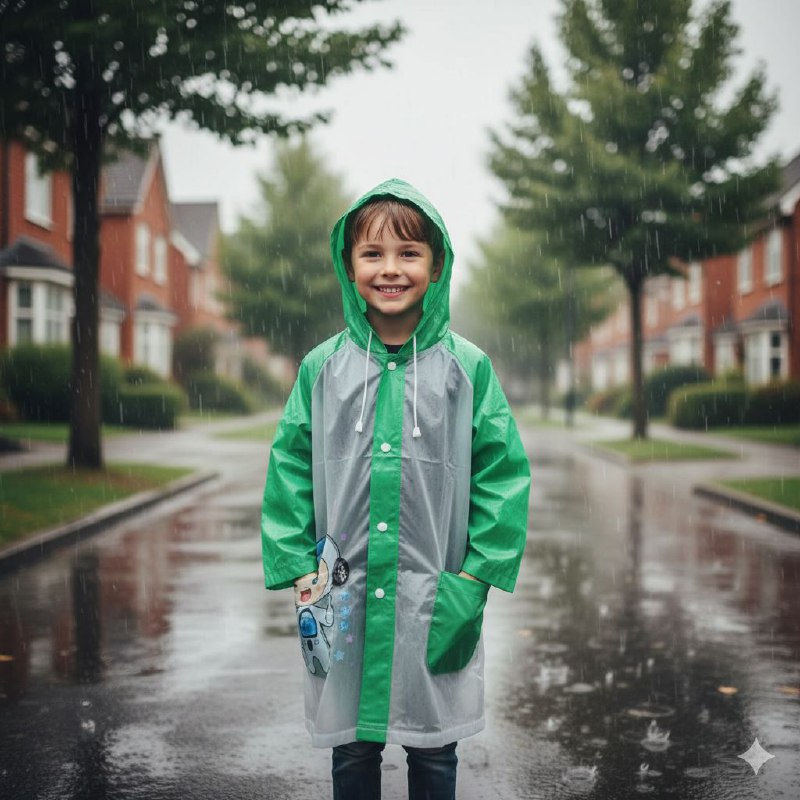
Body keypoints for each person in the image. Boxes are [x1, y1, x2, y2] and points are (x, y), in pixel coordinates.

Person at [261, 179, 530, 800]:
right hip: (343, 594)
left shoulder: (467, 369)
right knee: (352, 748)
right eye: (372, 254)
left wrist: (476, 575)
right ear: (348, 265)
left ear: (436, 267)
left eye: (409, 253)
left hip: (435, 591)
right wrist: (298, 563)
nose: (390, 269)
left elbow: (502, 473)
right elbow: (291, 465)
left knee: (434, 750)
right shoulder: (321, 368)